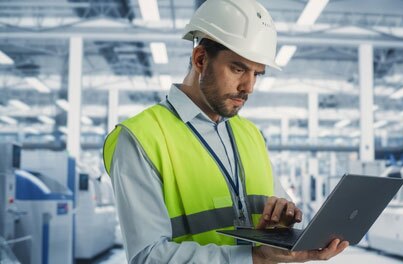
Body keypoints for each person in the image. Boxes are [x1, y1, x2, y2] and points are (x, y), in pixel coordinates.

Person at [102, 0, 349, 263]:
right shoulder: (140, 138)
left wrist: (283, 221)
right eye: (238, 68)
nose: (249, 87)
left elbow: (275, 211)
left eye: (257, 74)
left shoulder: (251, 134)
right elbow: (148, 256)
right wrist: (253, 257)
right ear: (200, 59)